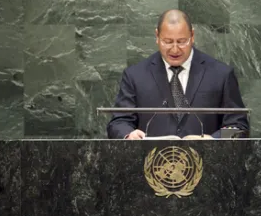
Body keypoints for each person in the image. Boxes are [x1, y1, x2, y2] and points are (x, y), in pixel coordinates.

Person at [107, 9, 249, 139]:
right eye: (167, 42)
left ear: (192, 36)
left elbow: (239, 127)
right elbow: (119, 123)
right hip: (152, 163)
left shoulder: (221, 74)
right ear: (157, 36)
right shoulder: (135, 75)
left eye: (182, 42)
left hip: (207, 162)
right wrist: (129, 135)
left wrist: (213, 140)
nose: (175, 50)